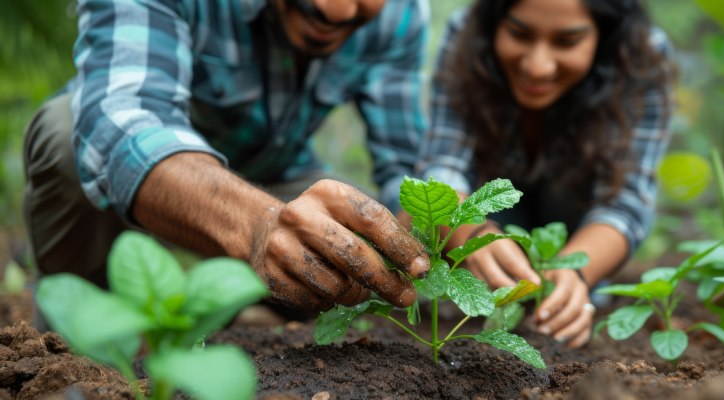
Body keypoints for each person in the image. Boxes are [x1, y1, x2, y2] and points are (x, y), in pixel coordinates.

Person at [23, 0, 432, 315]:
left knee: (356, 233)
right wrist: (258, 226)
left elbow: (404, 167)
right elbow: (121, 127)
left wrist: (442, 224)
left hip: (275, 175)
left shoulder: (400, 16)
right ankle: (86, 335)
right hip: (153, 179)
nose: (336, 9)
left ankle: (247, 312)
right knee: (66, 135)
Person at [418, 0, 676, 348]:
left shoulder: (644, 56)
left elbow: (625, 202)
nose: (538, 67)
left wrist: (576, 273)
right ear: (495, 23)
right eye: (519, 34)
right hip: (490, 216)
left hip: (576, 226)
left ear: (604, 36)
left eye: (567, 41)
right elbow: (442, 169)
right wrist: (472, 234)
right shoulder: (466, 35)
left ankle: (561, 292)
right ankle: (488, 278)